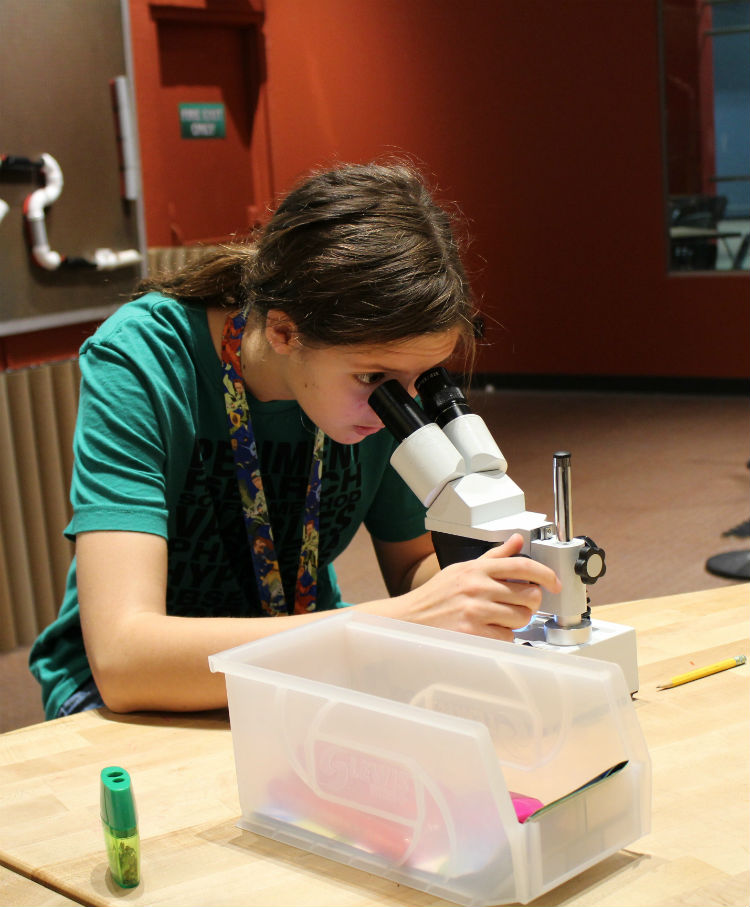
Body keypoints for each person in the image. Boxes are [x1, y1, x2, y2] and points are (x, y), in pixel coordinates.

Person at [29, 161, 560, 719]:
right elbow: (126, 660)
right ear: (283, 331)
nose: (397, 409)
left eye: (419, 381)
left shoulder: (383, 380)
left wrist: (486, 582)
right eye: (372, 381)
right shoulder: (144, 361)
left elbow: (412, 569)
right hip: (151, 687)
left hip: (309, 652)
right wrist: (407, 619)